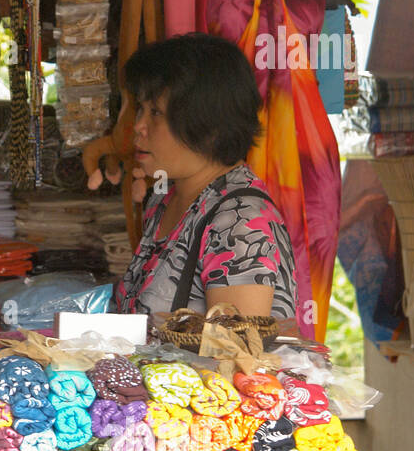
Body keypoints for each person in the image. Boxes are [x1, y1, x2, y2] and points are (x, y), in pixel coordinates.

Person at [111, 33, 298, 321]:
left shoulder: (240, 224)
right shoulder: (165, 196)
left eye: (156, 112)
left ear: (209, 124)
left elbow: (236, 347)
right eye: (141, 109)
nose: (139, 126)